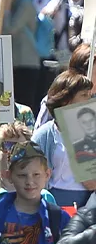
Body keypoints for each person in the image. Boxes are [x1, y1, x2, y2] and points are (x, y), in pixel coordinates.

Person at [0, 141, 70, 244]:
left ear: (47, 174)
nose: (30, 181)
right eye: (22, 175)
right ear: (9, 176)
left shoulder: (59, 219)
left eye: (36, 174)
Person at [33, 71, 96, 206]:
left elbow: (91, 183)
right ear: (66, 100)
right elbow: (31, 176)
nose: (90, 100)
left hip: (86, 207)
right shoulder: (45, 135)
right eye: (84, 95)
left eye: (90, 95)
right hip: (53, 205)